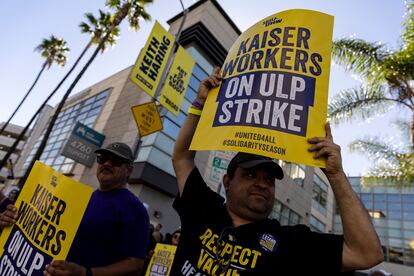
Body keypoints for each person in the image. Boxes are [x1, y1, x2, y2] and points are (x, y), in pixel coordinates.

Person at [170, 68, 384, 275]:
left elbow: (366, 255)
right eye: (250, 175)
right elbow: (182, 157)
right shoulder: (203, 208)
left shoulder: (289, 242)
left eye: (269, 180)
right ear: (227, 181)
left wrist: (336, 175)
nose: (262, 184)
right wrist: (199, 105)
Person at [0, 142, 150, 275]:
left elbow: (135, 264)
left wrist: (87, 273)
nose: (107, 164)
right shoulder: (82, 197)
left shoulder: (134, 208)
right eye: (102, 159)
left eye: (116, 161)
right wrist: (13, 221)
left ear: (129, 170)